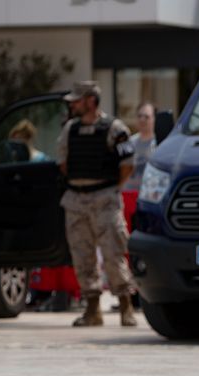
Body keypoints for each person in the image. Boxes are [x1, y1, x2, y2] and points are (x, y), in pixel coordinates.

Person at [57, 80, 138, 327]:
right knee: (82, 256)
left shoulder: (115, 129)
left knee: (113, 253)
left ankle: (125, 306)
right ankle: (92, 309)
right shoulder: (70, 129)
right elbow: (63, 163)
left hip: (105, 199)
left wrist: (111, 187)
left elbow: (127, 164)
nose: (72, 105)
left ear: (91, 101)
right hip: (76, 199)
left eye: (77, 100)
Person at [123, 102, 157, 192]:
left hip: (149, 196)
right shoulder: (129, 143)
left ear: (154, 118)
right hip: (129, 195)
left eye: (146, 117)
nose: (142, 119)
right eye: (139, 116)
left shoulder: (160, 145)